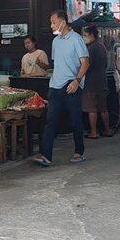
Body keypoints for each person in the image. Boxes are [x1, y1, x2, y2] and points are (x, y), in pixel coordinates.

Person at [34, 10, 89, 167]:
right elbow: (56, 64)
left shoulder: (76, 40)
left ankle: (79, 151)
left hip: (71, 85)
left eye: (53, 22)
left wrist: (77, 81)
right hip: (55, 86)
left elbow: (85, 63)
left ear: (63, 22)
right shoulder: (55, 41)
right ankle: (46, 156)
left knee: (75, 121)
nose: (51, 25)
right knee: (50, 121)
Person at [81, 25, 111, 139]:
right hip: (102, 82)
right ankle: (107, 130)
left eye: (85, 35)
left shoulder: (90, 49)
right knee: (103, 108)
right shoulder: (102, 47)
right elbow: (106, 64)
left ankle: (93, 132)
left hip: (91, 83)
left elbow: (86, 65)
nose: (84, 38)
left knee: (91, 108)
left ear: (92, 35)